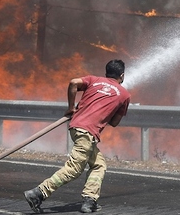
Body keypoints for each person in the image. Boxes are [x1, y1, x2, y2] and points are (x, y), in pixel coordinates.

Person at [24, 59, 131, 213]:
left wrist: (71, 108)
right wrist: (107, 108)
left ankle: (90, 200)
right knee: (74, 169)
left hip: (77, 128)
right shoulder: (124, 95)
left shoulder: (94, 80)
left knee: (99, 165)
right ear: (122, 75)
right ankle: (38, 193)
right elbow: (114, 122)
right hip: (87, 133)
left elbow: (73, 82)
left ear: (106, 72)